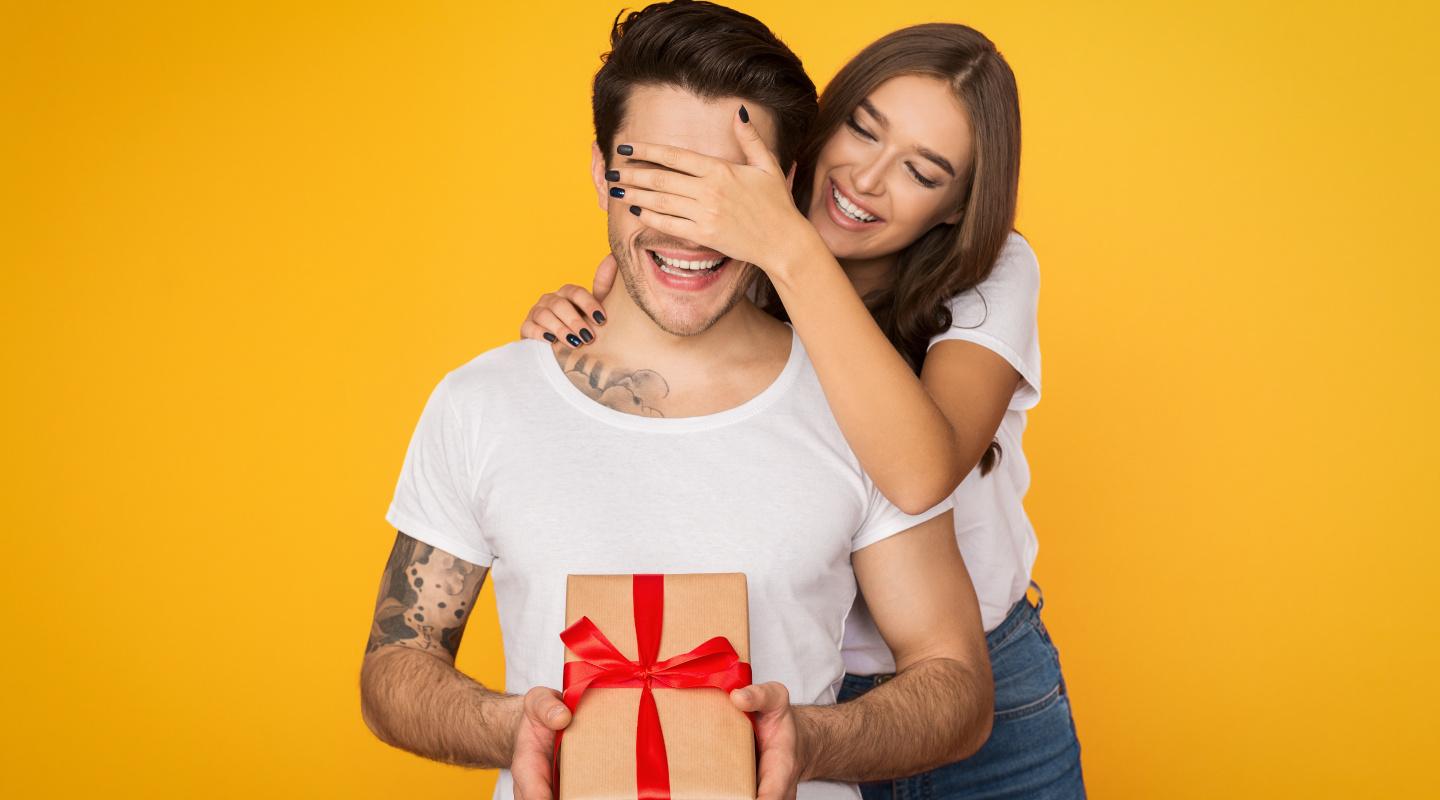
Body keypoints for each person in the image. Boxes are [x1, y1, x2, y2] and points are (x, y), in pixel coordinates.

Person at [359, 4, 995, 800]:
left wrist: (809, 736)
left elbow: (958, 684)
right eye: (658, 178)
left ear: (782, 191)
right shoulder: (481, 403)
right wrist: (503, 724)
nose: (693, 229)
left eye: (729, 189)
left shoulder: (862, 408)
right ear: (601, 171)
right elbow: (397, 662)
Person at [518, 20, 1086, 800]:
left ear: (958, 208)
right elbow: (627, 349)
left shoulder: (993, 270)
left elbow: (921, 472)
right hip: (795, 690)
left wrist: (788, 248)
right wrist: (566, 320)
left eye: (922, 171)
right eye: (862, 130)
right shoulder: (724, 246)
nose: (866, 179)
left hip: (981, 687)